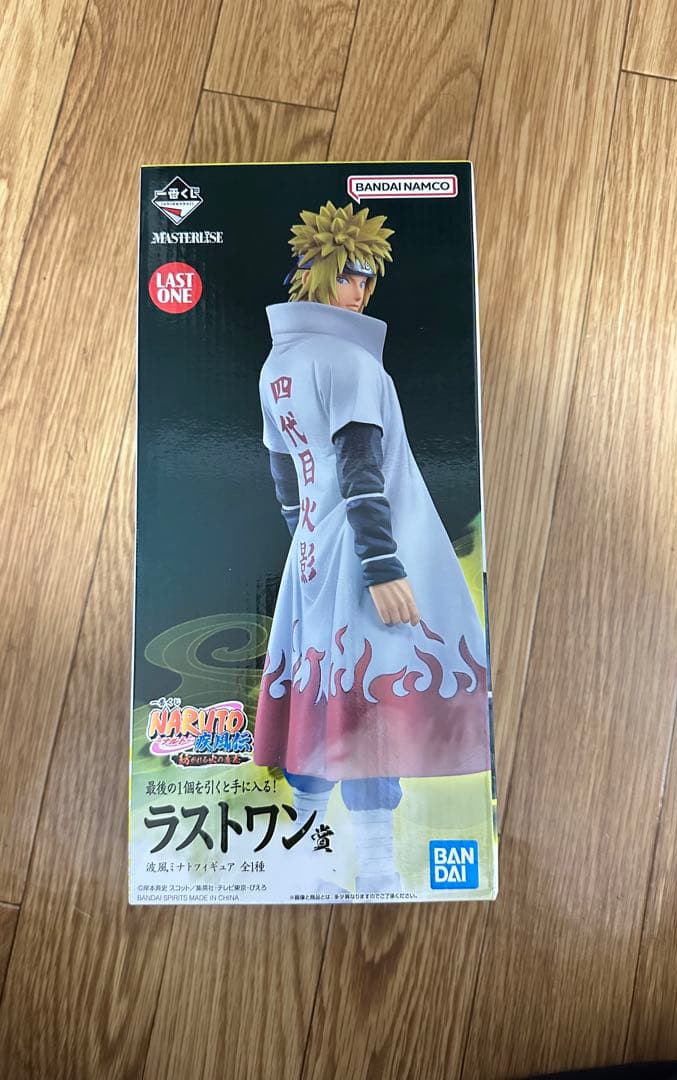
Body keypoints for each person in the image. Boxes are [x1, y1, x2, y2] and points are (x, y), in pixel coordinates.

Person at [255, 200, 489, 894]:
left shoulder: (276, 366)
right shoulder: (351, 362)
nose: (356, 290)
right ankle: (376, 867)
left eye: (365, 278)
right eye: (346, 275)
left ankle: (307, 862)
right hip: (362, 555)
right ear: (313, 274)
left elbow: (284, 478)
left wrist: (308, 537)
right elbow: (362, 470)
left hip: (313, 553)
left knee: (320, 695)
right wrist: (383, 564)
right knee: (368, 701)